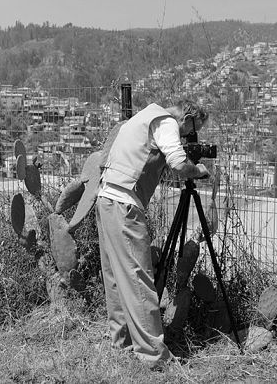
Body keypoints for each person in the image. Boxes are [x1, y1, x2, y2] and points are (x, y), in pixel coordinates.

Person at [95, 98, 210, 368]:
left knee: (115, 275)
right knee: (137, 276)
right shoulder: (167, 122)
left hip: (106, 197)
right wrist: (199, 171)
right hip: (124, 203)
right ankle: (153, 355)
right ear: (188, 117)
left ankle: (121, 341)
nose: (190, 135)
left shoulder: (146, 115)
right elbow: (179, 163)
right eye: (193, 129)